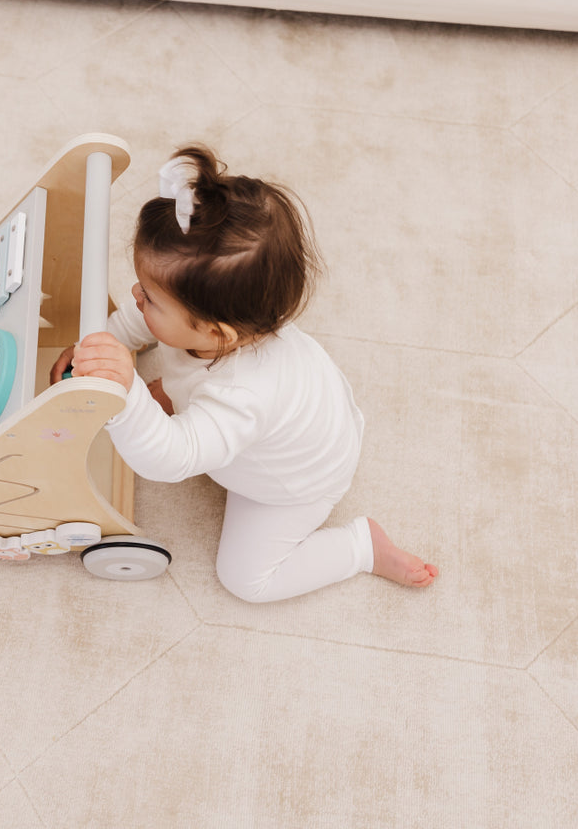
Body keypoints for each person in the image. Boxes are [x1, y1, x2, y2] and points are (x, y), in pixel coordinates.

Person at [51, 145, 437, 602]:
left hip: (294, 484)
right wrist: (105, 344)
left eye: (150, 296)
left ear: (218, 333)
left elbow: (171, 459)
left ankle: (360, 547)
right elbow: (140, 322)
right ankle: (172, 391)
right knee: (164, 387)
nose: (135, 294)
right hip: (305, 415)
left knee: (247, 580)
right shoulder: (226, 326)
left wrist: (126, 390)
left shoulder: (242, 394)